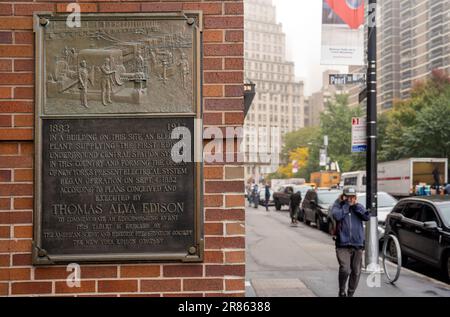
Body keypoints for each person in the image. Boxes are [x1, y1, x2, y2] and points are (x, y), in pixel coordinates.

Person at [331, 187, 370, 297]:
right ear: (343, 196)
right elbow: (337, 216)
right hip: (342, 245)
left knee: (356, 271)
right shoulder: (338, 206)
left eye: (352, 197)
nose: (350, 199)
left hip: (357, 244)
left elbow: (366, 217)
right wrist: (346, 206)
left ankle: (350, 294)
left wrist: (356, 206)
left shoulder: (358, 207)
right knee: (345, 269)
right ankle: (342, 290)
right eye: (348, 197)